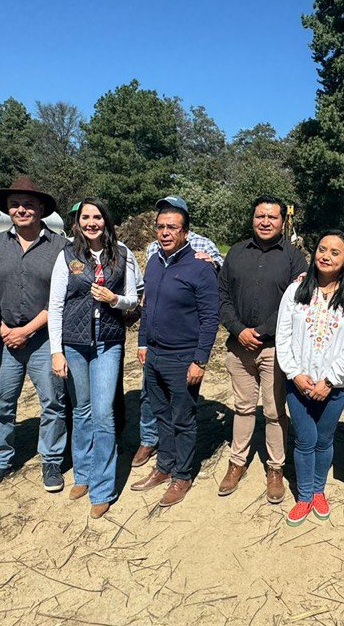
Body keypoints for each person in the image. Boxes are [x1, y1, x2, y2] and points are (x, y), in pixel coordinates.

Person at [0, 177, 68, 495]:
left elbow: (62, 296)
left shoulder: (59, 246)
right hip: (2, 338)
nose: (22, 209)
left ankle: (51, 459)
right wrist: (1, 327)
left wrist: (28, 329)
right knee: (1, 403)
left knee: (53, 401)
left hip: (43, 338)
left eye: (28, 204)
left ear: (41, 209)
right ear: (7, 209)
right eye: (15, 204)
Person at [49, 198, 139, 519]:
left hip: (108, 343)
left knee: (103, 414)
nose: (91, 223)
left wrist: (115, 299)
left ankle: (102, 488)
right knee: (81, 410)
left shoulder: (123, 254)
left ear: (105, 220)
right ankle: (83, 475)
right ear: (78, 221)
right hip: (73, 343)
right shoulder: (67, 256)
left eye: (97, 217)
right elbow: (56, 305)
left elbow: (132, 299)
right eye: (85, 217)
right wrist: (56, 351)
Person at [217, 196, 308, 502]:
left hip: (274, 349)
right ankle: (237, 462)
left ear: (283, 221)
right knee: (243, 406)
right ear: (252, 219)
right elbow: (222, 296)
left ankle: (276, 467)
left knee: (272, 410)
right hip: (239, 347)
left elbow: (297, 301)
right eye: (260, 216)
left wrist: (261, 331)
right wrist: (240, 330)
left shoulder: (294, 257)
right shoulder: (237, 253)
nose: (265, 222)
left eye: (272, 217)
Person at [276, 230, 344, 526]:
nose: (326, 256)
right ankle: (305, 496)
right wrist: (295, 374)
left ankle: (319, 490)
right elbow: (283, 336)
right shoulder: (297, 290)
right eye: (322, 249)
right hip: (298, 383)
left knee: (324, 439)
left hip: (336, 387)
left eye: (335, 252)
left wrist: (329, 381)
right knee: (305, 440)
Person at [130, 201, 220, 507]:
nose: (165, 232)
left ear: (185, 232)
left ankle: (182, 475)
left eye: (172, 227)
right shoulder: (154, 261)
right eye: (161, 227)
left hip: (183, 358)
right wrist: (143, 343)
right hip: (153, 354)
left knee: (182, 419)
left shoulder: (200, 267)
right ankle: (164, 467)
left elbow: (210, 318)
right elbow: (148, 306)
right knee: (161, 415)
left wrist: (200, 360)